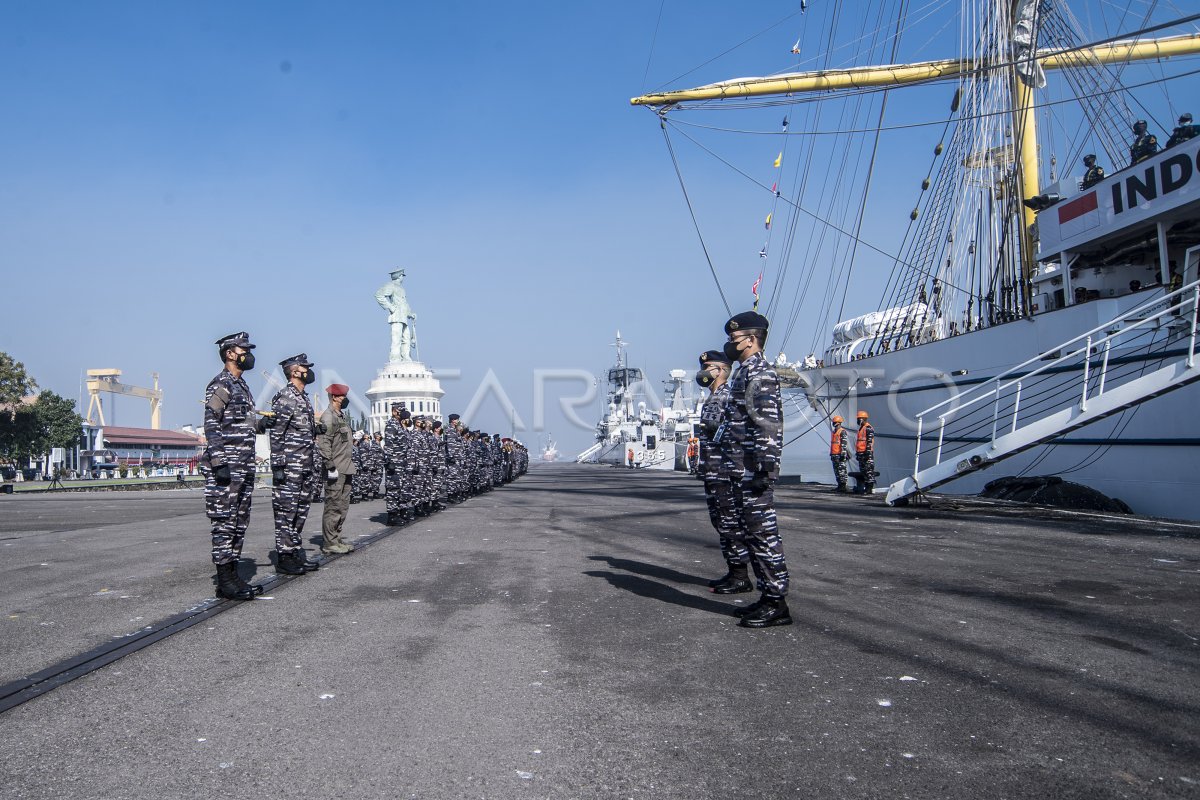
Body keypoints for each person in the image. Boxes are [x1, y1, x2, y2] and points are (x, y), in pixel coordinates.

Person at [722, 312, 791, 628]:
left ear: (751, 340)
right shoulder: (744, 372)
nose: (731, 345)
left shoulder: (759, 373)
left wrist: (764, 468)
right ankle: (767, 598)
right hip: (741, 468)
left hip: (753, 470)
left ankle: (776, 603)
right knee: (752, 534)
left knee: (763, 536)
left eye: (736, 340)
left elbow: (767, 422)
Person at [203, 332, 274, 600]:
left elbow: (242, 422)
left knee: (238, 522)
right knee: (224, 523)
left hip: (243, 465)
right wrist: (219, 462)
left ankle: (233, 576)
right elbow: (211, 422)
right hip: (226, 467)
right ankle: (225, 581)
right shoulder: (220, 384)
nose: (248, 354)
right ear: (230, 353)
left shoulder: (241, 386)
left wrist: (260, 424)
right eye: (243, 349)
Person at [695, 348, 751, 595]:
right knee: (720, 522)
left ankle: (741, 577)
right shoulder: (712, 397)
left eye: (707, 368)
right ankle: (733, 572)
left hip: (726, 472)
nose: (702, 373)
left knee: (730, 523)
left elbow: (736, 435)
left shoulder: (727, 397)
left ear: (719, 371)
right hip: (713, 471)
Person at [269, 354, 322, 575]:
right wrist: (278, 466)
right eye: (305, 368)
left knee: (300, 512)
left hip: (305, 466)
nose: (308, 371)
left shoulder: (303, 397)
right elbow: (277, 434)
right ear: (294, 372)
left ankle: (294, 553)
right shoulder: (286, 398)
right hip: (290, 466)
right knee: (286, 513)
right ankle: (284, 557)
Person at [316, 383, 356, 554]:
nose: (345, 399)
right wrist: (329, 465)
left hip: (346, 467)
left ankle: (336, 538)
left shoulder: (340, 416)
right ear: (334, 397)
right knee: (333, 505)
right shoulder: (328, 417)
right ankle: (329, 542)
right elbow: (324, 443)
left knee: (342, 506)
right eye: (342, 397)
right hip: (336, 468)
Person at [382, 403, 411, 525]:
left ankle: (401, 511)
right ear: (394, 412)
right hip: (394, 462)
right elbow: (389, 444)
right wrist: (389, 461)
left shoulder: (401, 426)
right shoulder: (391, 425)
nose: (403, 414)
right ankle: (392, 515)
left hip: (402, 462)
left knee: (403, 488)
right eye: (400, 411)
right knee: (393, 489)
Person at [855, 410, 876, 494]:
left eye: (858, 419)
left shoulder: (868, 428)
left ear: (862, 419)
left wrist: (867, 452)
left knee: (868, 471)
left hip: (866, 453)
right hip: (861, 453)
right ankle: (865, 487)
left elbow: (869, 441)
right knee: (863, 471)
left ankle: (869, 488)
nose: (857, 421)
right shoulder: (861, 428)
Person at [829, 415, 850, 493]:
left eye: (834, 422)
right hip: (834, 454)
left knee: (842, 471)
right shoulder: (834, 432)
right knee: (836, 471)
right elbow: (833, 444)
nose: (833, 424)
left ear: (838, 423)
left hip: (839, 455)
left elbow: (844, 444)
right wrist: (831, 454)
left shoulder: (842, 431)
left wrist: (843, 454)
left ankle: (843, 486)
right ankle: (839, 485)